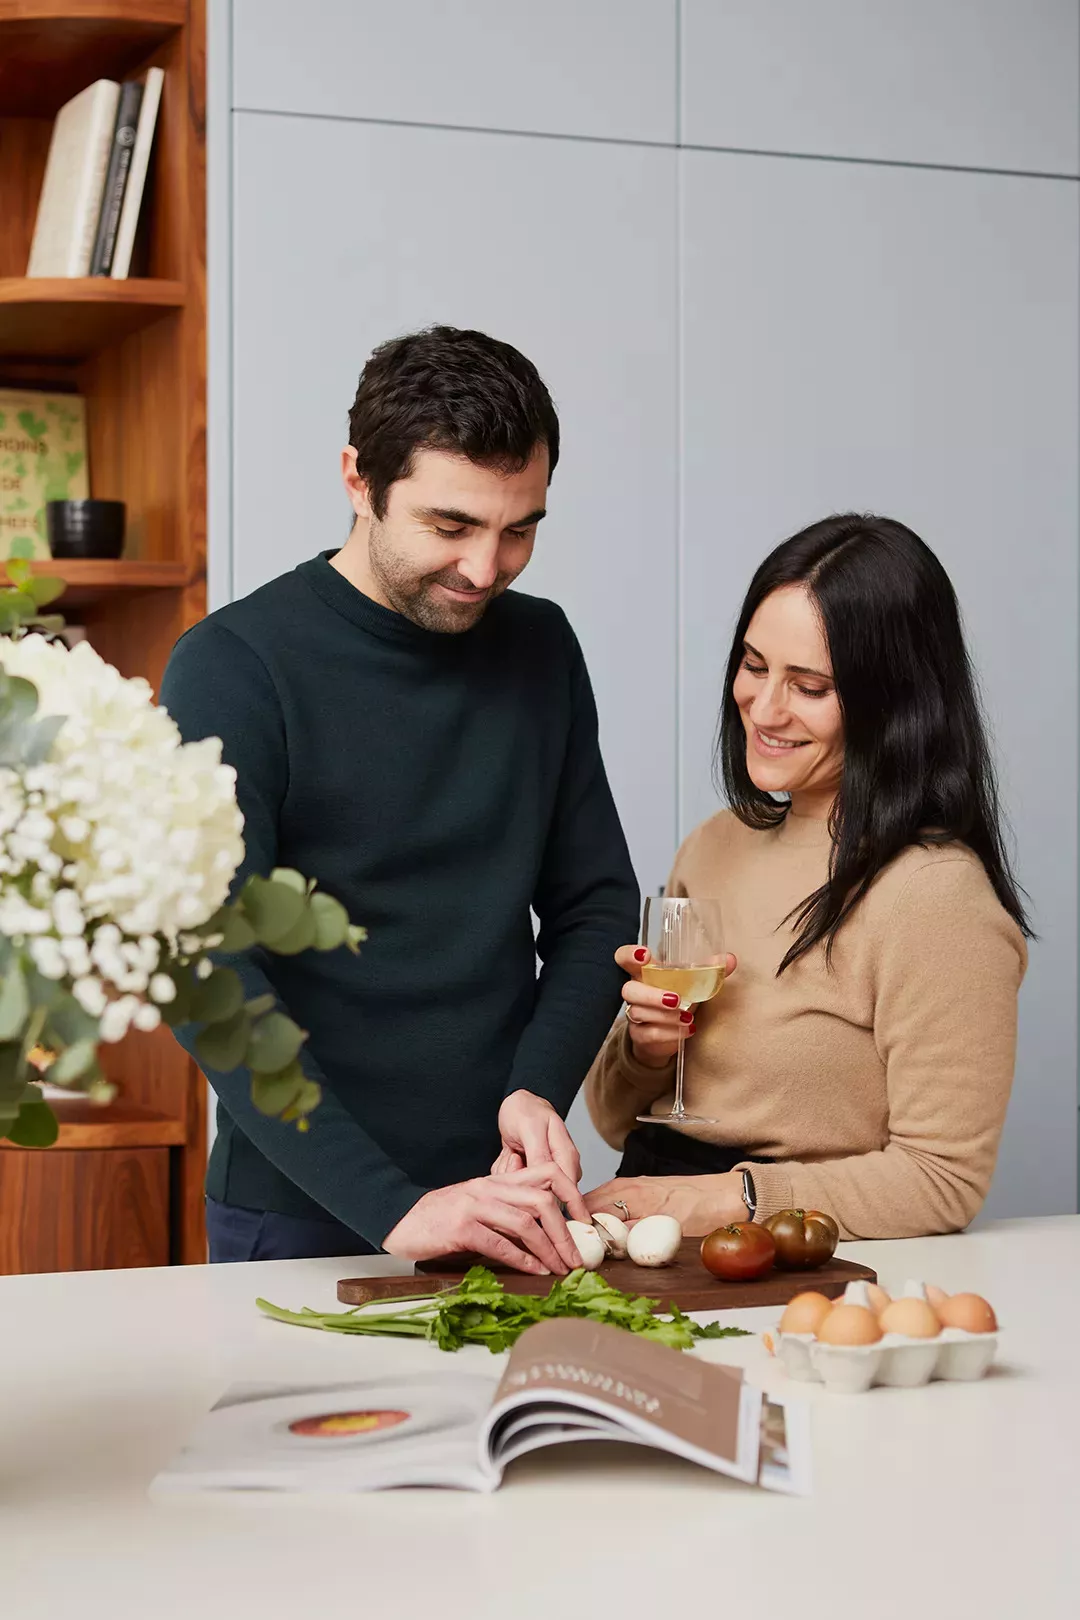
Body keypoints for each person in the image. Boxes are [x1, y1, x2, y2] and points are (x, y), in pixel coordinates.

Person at [161, 325, 639, 1268]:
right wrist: (394, 1210)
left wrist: (538, 1088)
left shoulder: (542, 647)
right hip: (299, 1210)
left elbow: (594, 904)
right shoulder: (233, 667)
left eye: (521, 528)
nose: (484, 569)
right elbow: (208, 967)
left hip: (510, 1200)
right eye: (450, 526)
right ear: (358, 480)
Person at [584, 513, 1030, 1241]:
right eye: (754, 666)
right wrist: (647, 1045)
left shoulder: (936, 896)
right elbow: (610, 1118)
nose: (764, 708)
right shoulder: (713, 844)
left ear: (895, 702)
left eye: (810, 685)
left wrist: (726, 1201)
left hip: (783, 1254)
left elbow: (943, 1182)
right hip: (650, 1225)